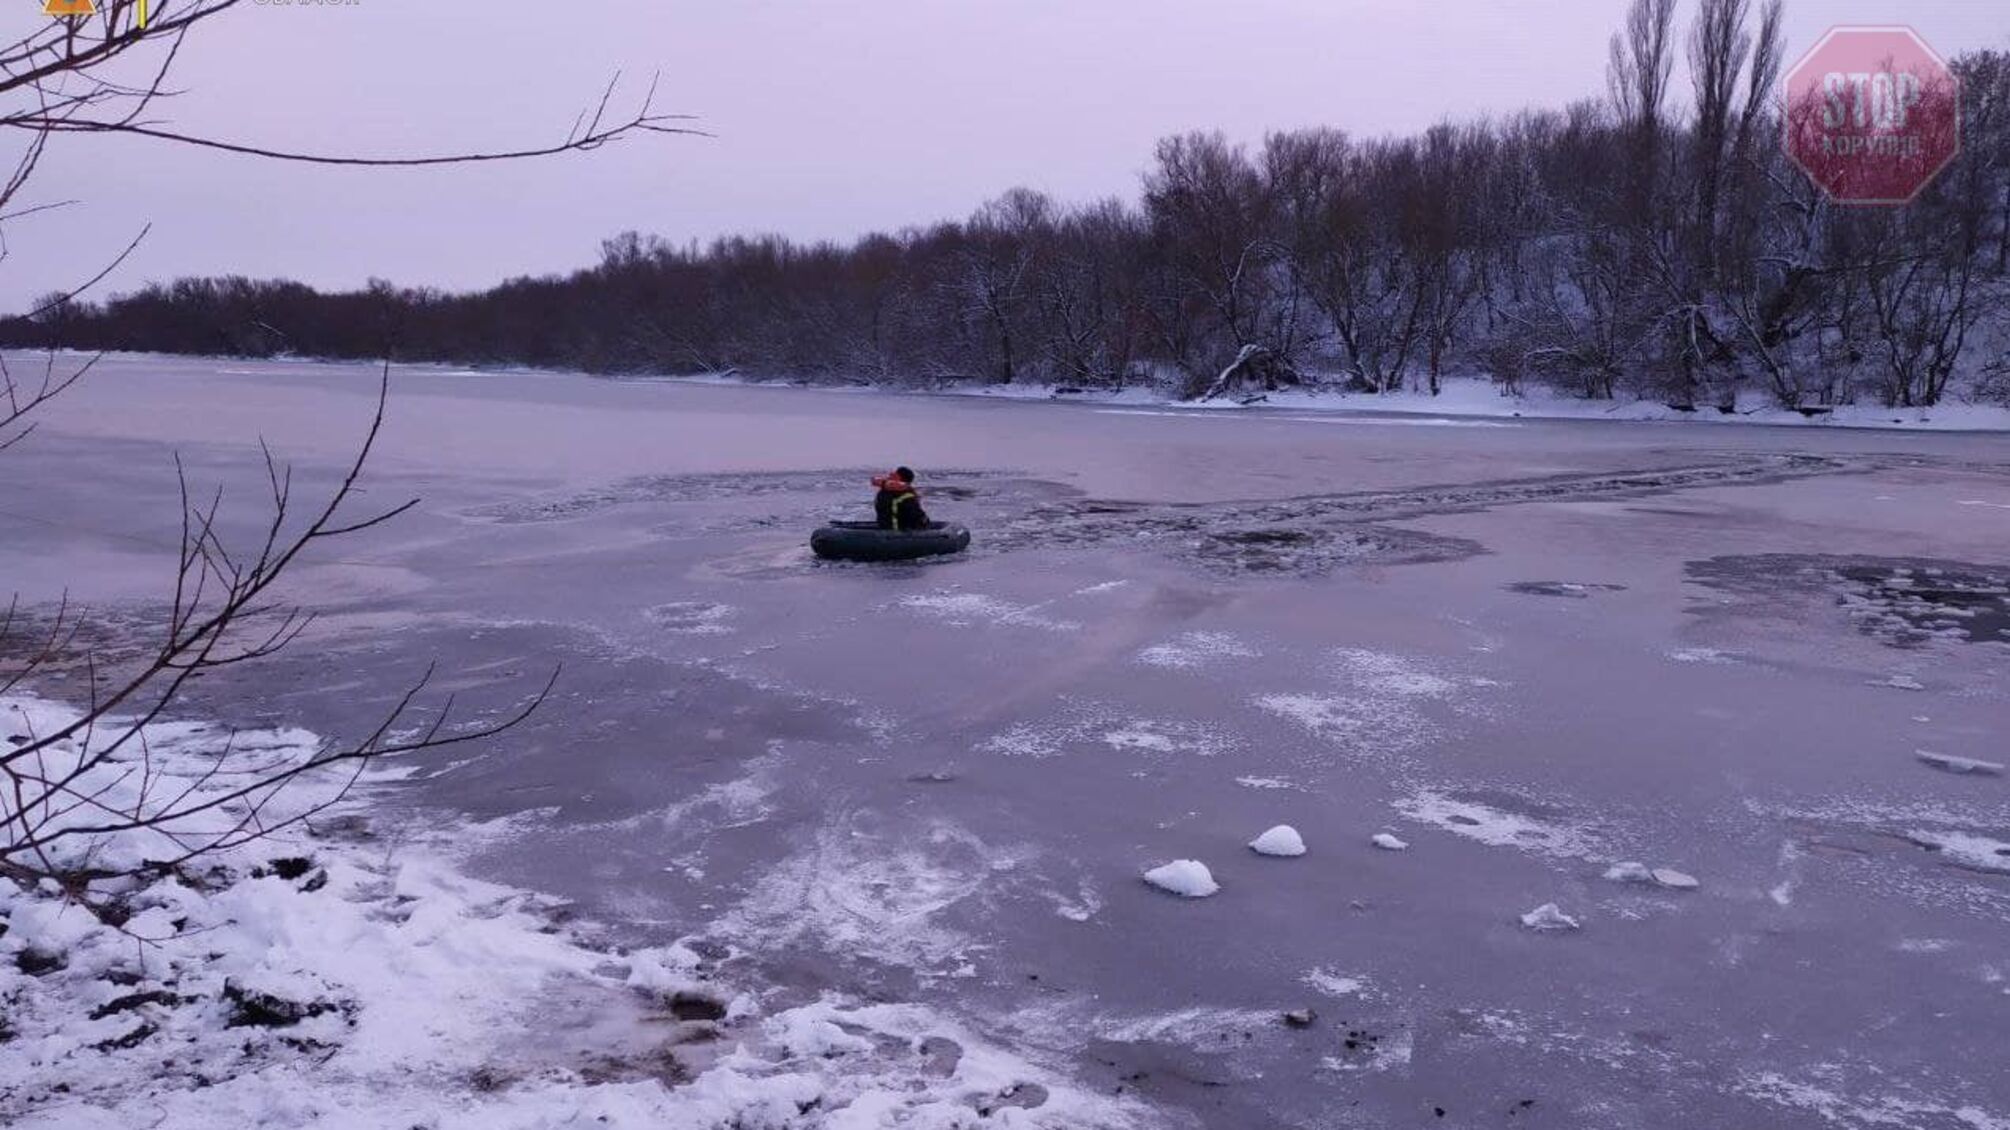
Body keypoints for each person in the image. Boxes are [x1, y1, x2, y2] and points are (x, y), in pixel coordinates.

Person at [871, 466, 930, 531]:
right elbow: (916, 516)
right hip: (896, 531)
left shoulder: (885, 491)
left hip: (887, 528)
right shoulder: (905, 495)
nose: (890, 475)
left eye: (895, 474)